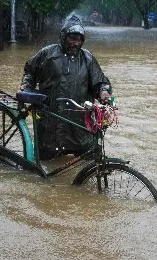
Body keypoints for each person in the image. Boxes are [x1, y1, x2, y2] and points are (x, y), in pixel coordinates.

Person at [19, 15, 112, 160]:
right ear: (63, 37)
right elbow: (30, 71)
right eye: (72, 38)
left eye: (80, 39)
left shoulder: (87, 59)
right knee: (45, 167)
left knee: (88, 163)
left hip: (79, 124)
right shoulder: (47, 54)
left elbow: (100, 82)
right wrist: (27, 86)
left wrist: (104, 93)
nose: (76, 43)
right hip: (50, 122)